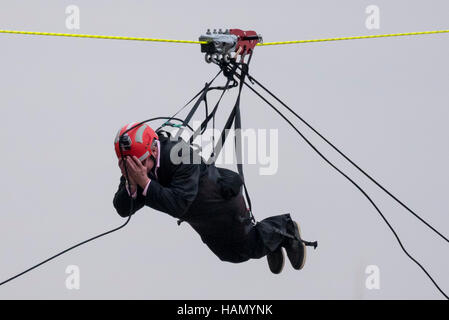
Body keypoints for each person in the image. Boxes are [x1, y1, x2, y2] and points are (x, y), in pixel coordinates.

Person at [113, 122, 309, 274]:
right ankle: (272, 241)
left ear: (154, 150)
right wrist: (131, 184)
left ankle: (284, 228)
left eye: (139, 163)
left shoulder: (179, 154)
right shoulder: (136, 167)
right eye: (127, 165)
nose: (136, 169)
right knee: (228, 255)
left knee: (246, 246)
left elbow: (178, 204)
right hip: (201, 217)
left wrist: (144, 183)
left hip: (220, 202)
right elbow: (122, 209)